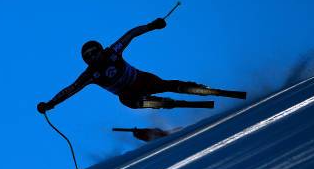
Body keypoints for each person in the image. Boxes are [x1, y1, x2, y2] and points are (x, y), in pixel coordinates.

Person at [37, 18, 246, 114]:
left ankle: (206, 90)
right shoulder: (89, 75)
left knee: (168, 84)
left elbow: (131, 34)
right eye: (89, 56)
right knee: (126, 100)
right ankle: (162, 104)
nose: (93, 57)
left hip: (141, 79)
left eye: (95, 51)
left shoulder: (112, 52)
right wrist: (51, 103)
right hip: (129, 91)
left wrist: (151, 26)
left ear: (101, 49)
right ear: (86, 61)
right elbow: (69, 90)